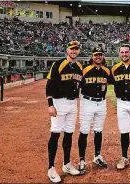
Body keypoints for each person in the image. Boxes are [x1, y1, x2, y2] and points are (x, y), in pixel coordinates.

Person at [46, 40, 83, 182]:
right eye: (72, 49)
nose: (74, 51)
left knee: (69, 134)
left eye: (76, 49)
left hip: (73, 103)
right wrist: (50, 104)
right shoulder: (58, 64)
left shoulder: (79, 66)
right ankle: (51, 168)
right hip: (59, 102)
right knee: (55, 134)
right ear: (67, 50)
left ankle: (66, 164)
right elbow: (49, 84)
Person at [78, 47, 110, 175]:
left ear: (102, 56)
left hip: (101, 102)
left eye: (100, 55)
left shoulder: (106, 70)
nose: (98, 57)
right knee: (84, 130)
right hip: (87, 102)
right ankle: (81, 160)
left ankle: (97, 156)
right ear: (92, 56)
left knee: (98, 130)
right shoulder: (84, 69)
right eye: (96, 55)